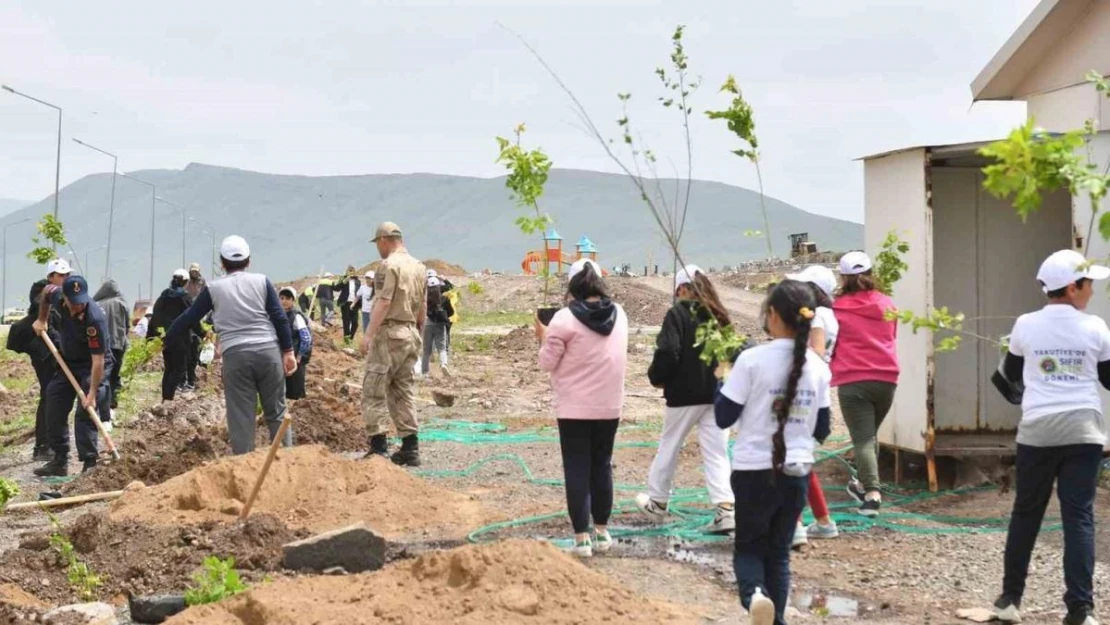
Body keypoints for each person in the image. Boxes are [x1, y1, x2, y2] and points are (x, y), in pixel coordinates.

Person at [989, 250, 1110, 625]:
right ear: (1072, 288)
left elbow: (1009, 374)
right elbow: (1108, 379)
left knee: (1026, 514)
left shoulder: (1025, 324)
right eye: (1088, 284)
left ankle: (1010, 600)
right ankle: (1080, 610)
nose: (1092, 290)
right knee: (1078, 518)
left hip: (1037, 432)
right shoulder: (1097, 327)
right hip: (1083, 432)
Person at [715, 279, 831, 625]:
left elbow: (723, 416)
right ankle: (775, 618)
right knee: (779, 555)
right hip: (797, 472)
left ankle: (754, 596)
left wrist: (723, 379)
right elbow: (823, 429)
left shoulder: (751, 361)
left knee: (749, 547)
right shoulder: (818, 367)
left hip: (754, 470)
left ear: (774, 316)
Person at [166, 235, 297, 454]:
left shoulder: (215, 288)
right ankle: (287, 466)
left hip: (236, 357)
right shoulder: (262, 281)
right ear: (249, 261)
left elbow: (190, 317)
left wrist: (166, 339)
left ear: (222, 263)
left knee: (241, 418)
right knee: (276, 412)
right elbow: (279, 318)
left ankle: (245, 471)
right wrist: (288, 352)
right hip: (268, 353)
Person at [537, 258, 629, 558]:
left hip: (574, 408)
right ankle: (602, 532)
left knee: (577, 468)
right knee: (602, 466)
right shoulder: (620, 314)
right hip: (609, 405)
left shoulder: (563, 319)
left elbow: (546, 363)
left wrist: (543, 336)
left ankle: (581, 539)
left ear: (573, 286)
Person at [637, 264, 735, 535]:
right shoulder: (718, 315)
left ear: (681, 288)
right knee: (716, 452)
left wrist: (657, 377)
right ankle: (726, 510)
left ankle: (657, 502)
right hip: (718, 395)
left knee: (669, 445)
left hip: (684, 396)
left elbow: (668, 351)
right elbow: (731, 354)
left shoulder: (678, 314)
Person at [831, 251, 898, 518]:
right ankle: (862, 484)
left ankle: (871, 495)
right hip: (887, 379)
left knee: (863, 439)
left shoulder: (837, 308)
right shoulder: (888, 304)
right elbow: (892, 335)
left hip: (853, 380)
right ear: (871, 273)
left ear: (844, 278)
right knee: (869, 436)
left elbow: (831, 343)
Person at [31, 275, 116, 476]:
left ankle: (89, 464)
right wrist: (41, 319)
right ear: (65, 298)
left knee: (86, 410)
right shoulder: (57, 294)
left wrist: (92, 394)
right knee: (54, 400)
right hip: (69, 361)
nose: (79, 306)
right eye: (74, 302)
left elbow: (98, 361)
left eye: (82, 302)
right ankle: (60, 460)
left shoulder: (94, 318)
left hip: (93, 365)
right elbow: (45, 293)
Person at [360, 222, 427, 466]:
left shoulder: (388, 266)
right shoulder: (419, 266)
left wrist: (368, 335)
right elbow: (422, 305)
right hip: (410, 332)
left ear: (384, 240)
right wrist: (418, 331)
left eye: (378, 243)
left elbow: (384, 301)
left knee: (374, 388)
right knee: (403, 390)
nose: (378, 248)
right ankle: (410, 447)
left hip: (390, 332)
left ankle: (378, 447)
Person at [783, 265, 840, 547]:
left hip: (802, 389)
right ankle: (823, 521)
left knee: (785, 457)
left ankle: (794, 526)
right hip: (818, 391)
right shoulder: (830, 315)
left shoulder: (816, 317)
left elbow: (814, 351)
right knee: (801, 460)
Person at [6, 280, 58, 461]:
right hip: (47, 367)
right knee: (48, 399)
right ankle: (43, 446)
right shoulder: (26, 326)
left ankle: (49, 444)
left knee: (54, 401)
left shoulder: (55, 318)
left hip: (58, 365)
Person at [149, 269, 204, 401]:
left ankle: (166, 396)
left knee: (169, 368)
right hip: (181, 339)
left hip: (165, 339)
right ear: (185, 282)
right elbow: (193, 318)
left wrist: (150, 337)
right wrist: (202, 333)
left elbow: (154, 318)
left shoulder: (162, 297)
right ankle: (170, 396)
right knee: (180, 368)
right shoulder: (185, 298)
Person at [92, 279, 130, 411]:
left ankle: (101, 402)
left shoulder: (97, 304)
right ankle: (112, 402)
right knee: (115, 373)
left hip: (101, 344)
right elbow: (127, 324)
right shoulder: (121, 303)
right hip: (118, 343)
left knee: (102, 374)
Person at [279, 287, 313, 400]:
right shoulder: (277, 315)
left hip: (295, 358)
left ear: (293, 300)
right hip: (282, 357)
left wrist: (299, 356)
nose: (284, 301)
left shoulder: (296, 316)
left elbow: (306, 338)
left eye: (288, 298)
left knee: (295, 390)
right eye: (282, 298)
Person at [421, 276, 454, 377]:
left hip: (427, 325)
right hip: (440, 325)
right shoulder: (444, 298)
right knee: (442, 348)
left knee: (426, 350)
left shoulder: (424, 299)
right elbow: (451, 312)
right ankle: (443, 364)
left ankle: (425, 372)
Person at [184, 263, 207, 389]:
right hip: (187, 314)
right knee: (187, 352)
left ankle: (193, 378)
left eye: (196, 272)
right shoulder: (186, 281)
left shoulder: (202, 282)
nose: (194, 274)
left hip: (198, 314)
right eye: (192, 271)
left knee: (195, 351)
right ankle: (187, 379)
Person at [335, 266, 361, 342]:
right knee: (346, 321)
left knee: (355, 323)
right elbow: (336, 288)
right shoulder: (343, 279)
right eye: (349, 271)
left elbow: (359, 293)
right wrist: (344, 281)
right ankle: (346, 340)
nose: (351, 272)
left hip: (354, 303)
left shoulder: (358, 281)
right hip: (345, 303)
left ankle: (351, 337)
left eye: (352, 271)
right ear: (347, 272)